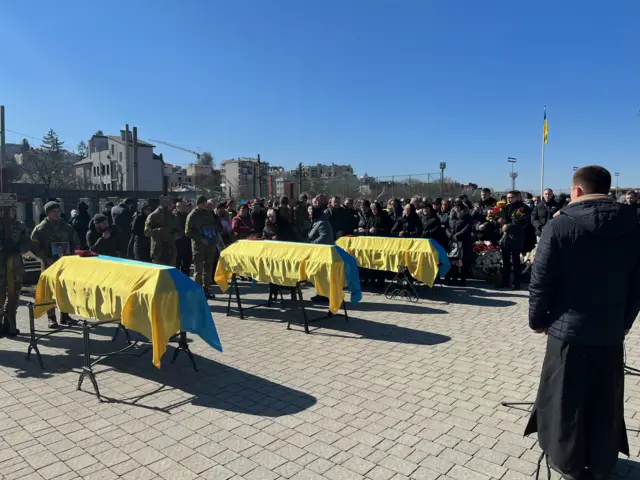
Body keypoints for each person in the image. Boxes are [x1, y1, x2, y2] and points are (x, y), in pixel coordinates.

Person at [525, 166, 640, 480]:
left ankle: (567, 462)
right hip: (609, 331)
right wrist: (626, 322)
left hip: (567, 333)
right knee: (605, 398)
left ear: (576, 191)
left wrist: (537, 321)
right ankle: (602, 461)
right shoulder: (634, 224)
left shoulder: (559, 225)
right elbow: (637, 282)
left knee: (564, 400)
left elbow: (541, 282)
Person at [30, 201, 80, 328]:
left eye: (58, 211)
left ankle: (65, 316)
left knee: (66, 289)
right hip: (49, 264)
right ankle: (51, 318)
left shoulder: (66, 227)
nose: (57, 214)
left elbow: (75, 242)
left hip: (65, 264)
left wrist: (73, 256)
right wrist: (45, 258)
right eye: (53, 211)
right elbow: (34, 247)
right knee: (50, 291)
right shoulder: (41, 228)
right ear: (48, 213)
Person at [0, 206, 30, 336]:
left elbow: (26, 243)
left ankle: (10, 325)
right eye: (7, 210)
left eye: (13, 209)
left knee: (14, 296)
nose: (10, 212)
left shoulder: (20, 225)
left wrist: (17, 248)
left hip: (15, 264)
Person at [186, 196, 218, 297]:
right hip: (198, 247)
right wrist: (200, 238)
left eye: (205, 203)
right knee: (198, 270)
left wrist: (213, 237)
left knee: (208, 269)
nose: (205, 205)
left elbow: (214, 227)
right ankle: (196, 290)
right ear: (198, 204)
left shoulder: (208, 214)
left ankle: (206, 288)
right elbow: (188, 232)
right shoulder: (192, 215)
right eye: (203, 203)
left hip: (209, 246)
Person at [500, 190, 527, 290]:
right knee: (505, 261)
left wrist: (508, 226)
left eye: (511, 197)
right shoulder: (506, 207)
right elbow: (503, 218)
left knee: (516, 262)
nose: (508, 199)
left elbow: (522, 222)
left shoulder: (523, 208)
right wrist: (500, 221)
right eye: (507, 197)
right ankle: (505, 281)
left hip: (516, 237)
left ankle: (516, 283)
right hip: (506, 238)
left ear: (517, 197)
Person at [145, 197, 182, 266]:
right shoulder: (153, 216)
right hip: (158, 251)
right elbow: (147, 232)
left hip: (171, 250)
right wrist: (159, 231)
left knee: (170, 273)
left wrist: (172, 236)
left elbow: (180, 233)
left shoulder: (173, 216)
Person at [445, 200, 473, 285]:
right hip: (452, 242)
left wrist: (457, 235)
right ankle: (453, 278)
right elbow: (446, 227)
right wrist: (450, 235)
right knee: (453, 261)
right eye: (455, 207)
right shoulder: (450, 216)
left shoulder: (467, 216)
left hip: (463, 242)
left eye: (458, 207)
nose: (456, 209)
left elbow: (468, 227)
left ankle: (463, 280)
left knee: (463, 261)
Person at [173, 201, 192, 276]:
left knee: (187, 265)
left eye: (185, 207)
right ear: (177, 208)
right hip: (177, 244)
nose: (184, 208)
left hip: (188, 243)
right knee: (176, 264)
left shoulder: (189, 216)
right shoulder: (173, 217)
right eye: (182, 207)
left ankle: (185, 282)